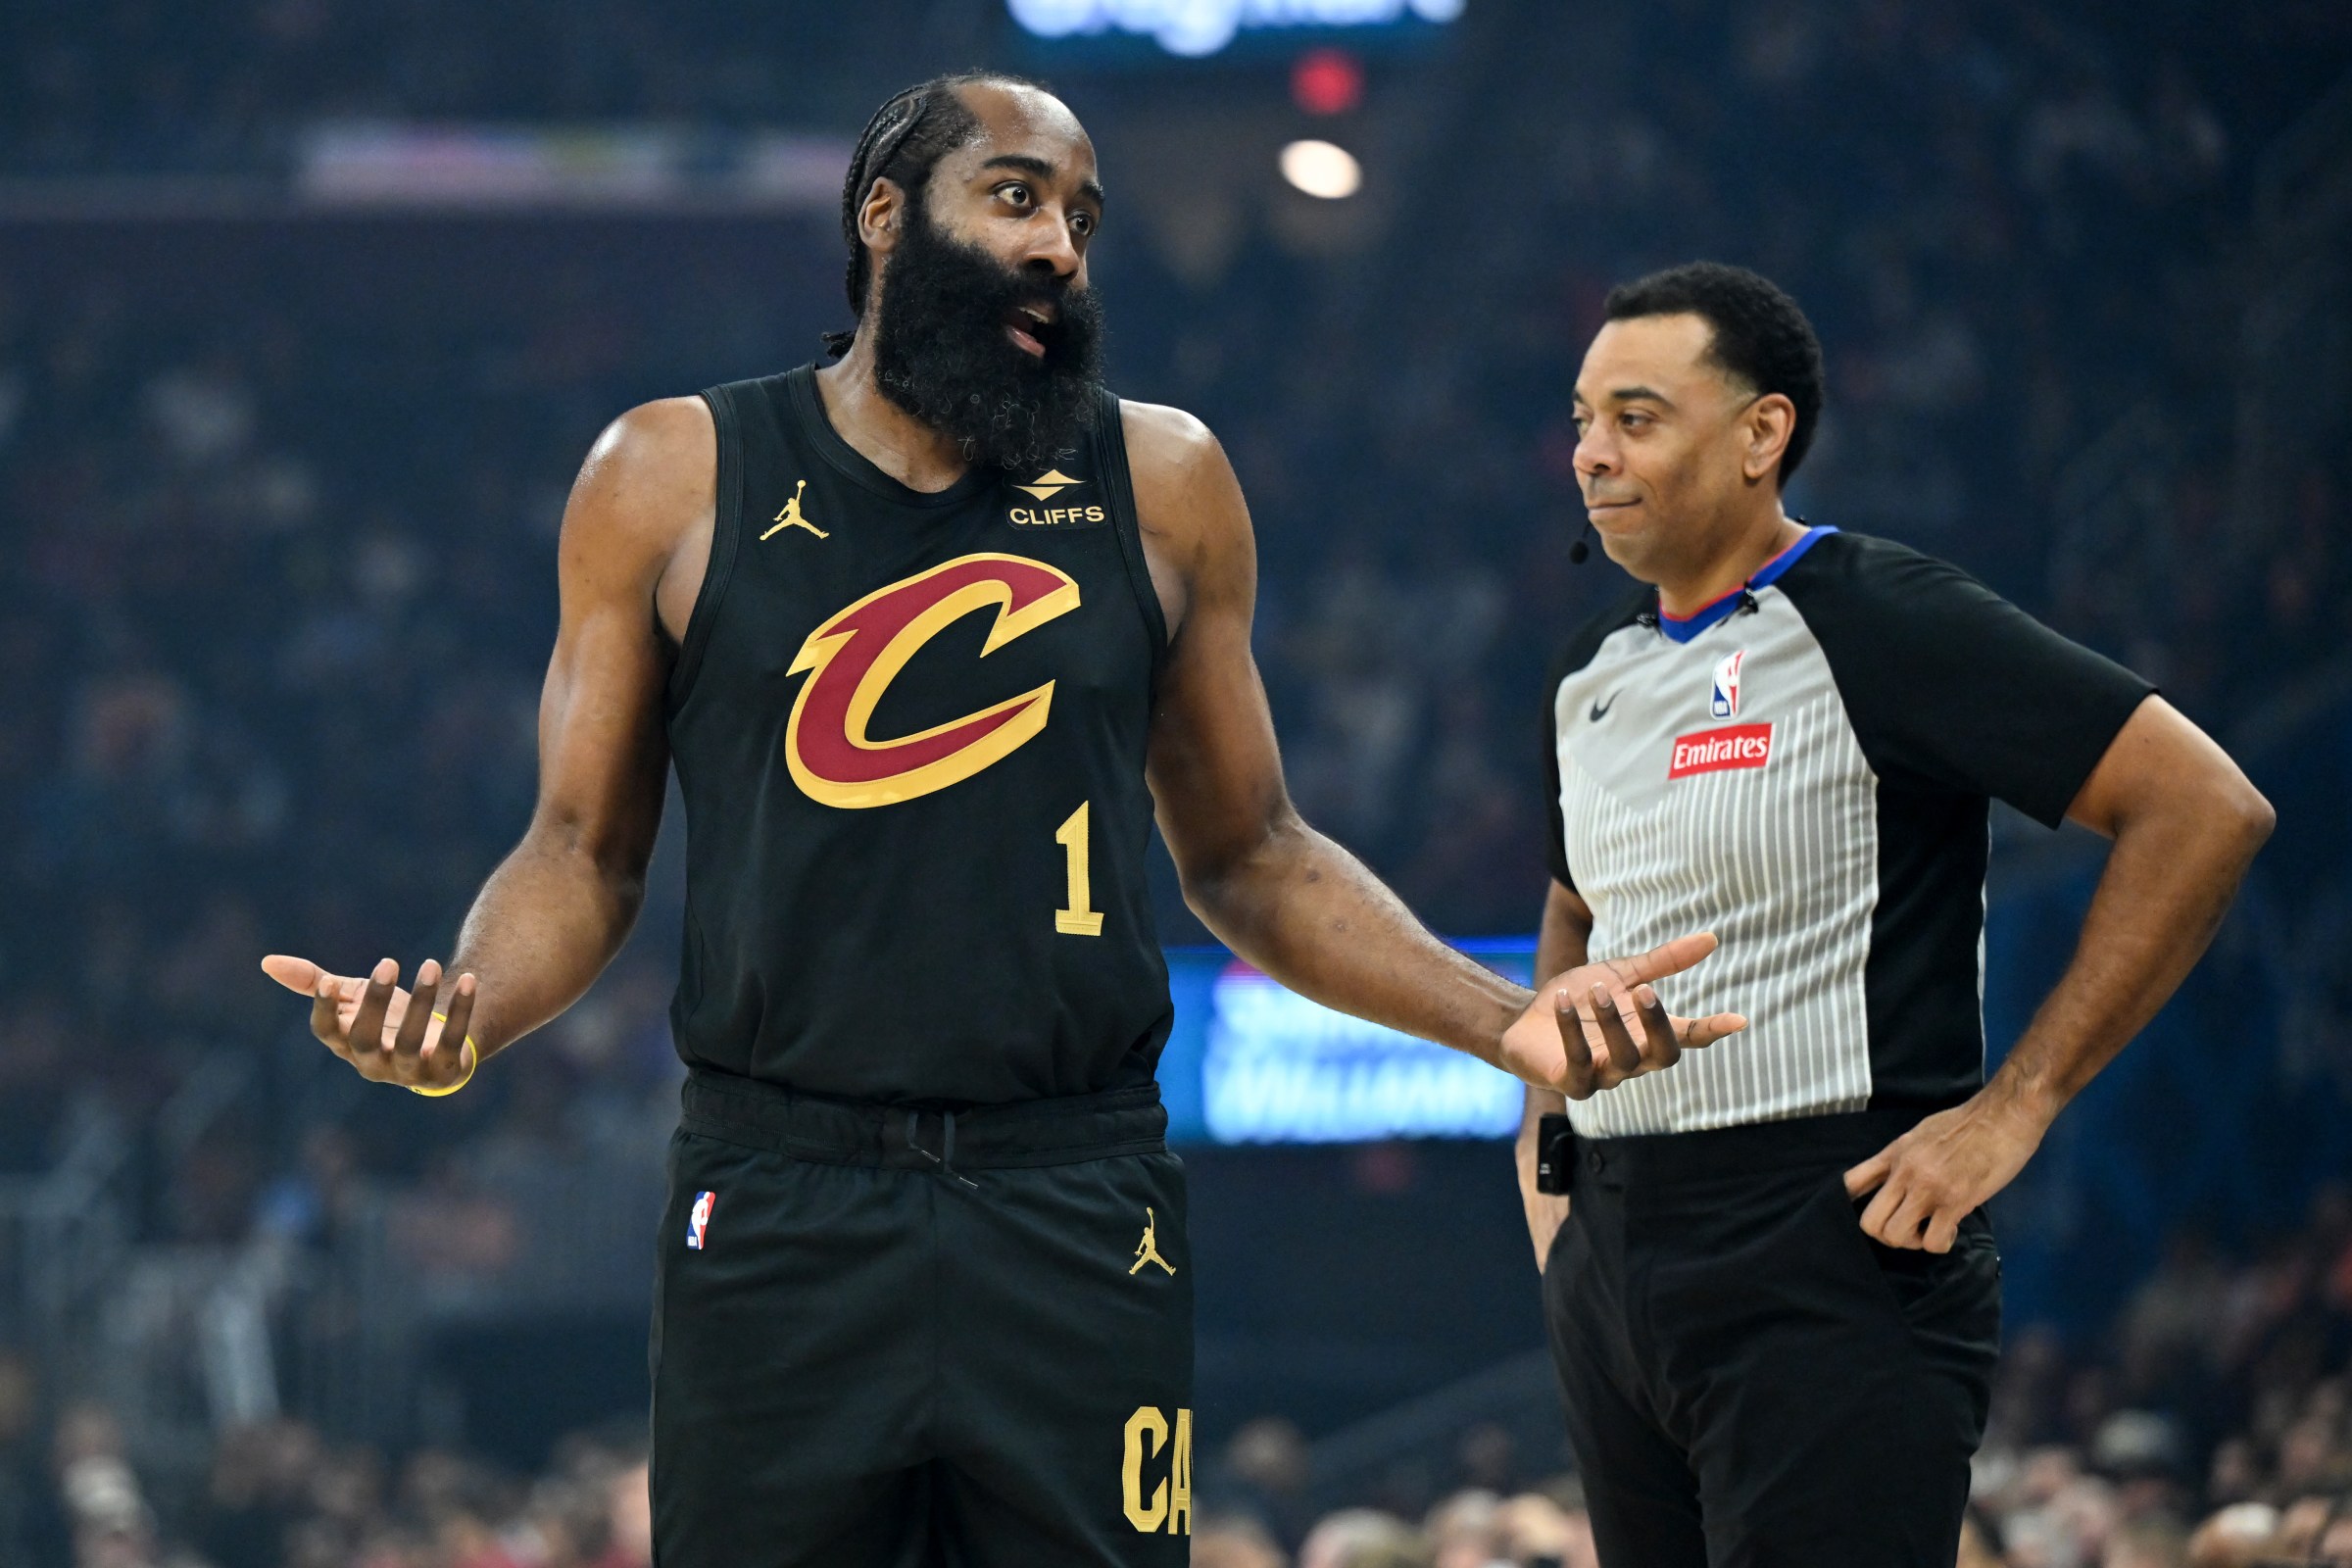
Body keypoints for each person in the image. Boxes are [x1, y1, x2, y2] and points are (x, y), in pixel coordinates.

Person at [261, 74, 1744, 1566]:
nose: (1059, 250)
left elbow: (1252, 855)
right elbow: (582, 850)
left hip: (1073, 1192)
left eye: (1085, 221)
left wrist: (1506, 1025)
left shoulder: (1163, 479)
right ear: (885, 215)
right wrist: (471, 1011)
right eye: (1020, 196)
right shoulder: (667, 473)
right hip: (779, 1195)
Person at [1514, 261, 2275, 1567]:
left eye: (1636, 418)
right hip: (1615, 1254)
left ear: (1763, 434)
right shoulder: (1588, 670)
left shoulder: (1878, 617)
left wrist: (2015, 1104)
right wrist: (1551, 1184)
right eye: (1583, 419)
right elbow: (1572, 927)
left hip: (1830, 1243)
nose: (1591, 453)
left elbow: (2205, 808)